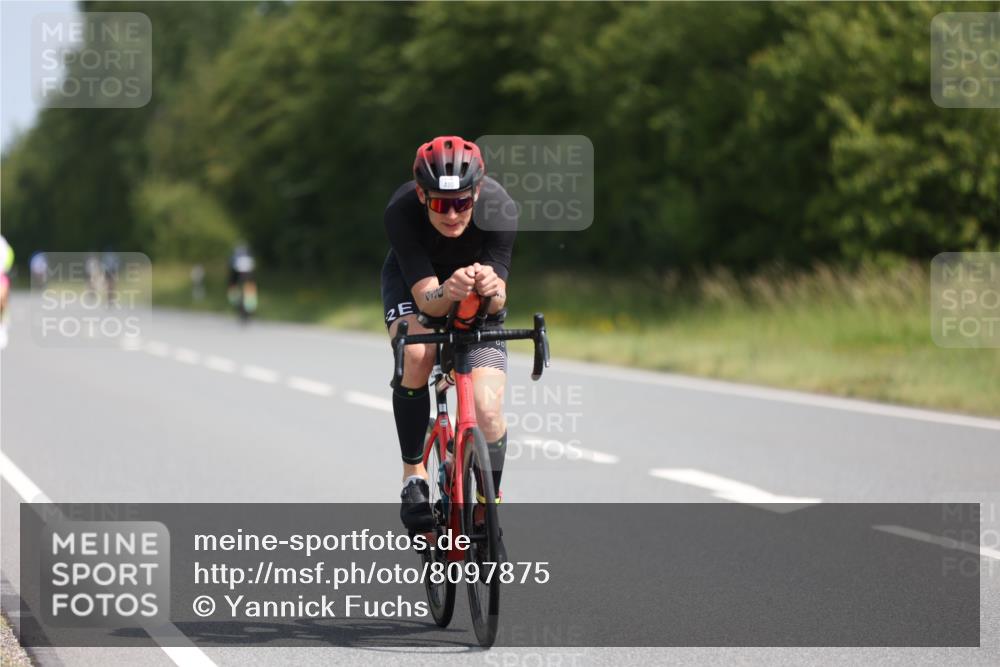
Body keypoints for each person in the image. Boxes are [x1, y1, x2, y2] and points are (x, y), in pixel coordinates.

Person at [382, 136, 517, 531]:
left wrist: (490, 288)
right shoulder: (401, 212)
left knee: (487, 409)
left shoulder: (500, 208)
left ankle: (487, 502)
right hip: (416, 285)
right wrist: (447, 290)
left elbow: (499, 300)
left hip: (475, 294)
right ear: (422, 195)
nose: (453, 214)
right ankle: (413, 475)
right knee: (417, 354)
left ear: (477, 192)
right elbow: (427, 301)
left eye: (462, 202)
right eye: (441, 204)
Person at [227, 243, 257, 316]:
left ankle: (240, 303)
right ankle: (249, 306)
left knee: (244, 289)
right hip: (246, 276)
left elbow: (231, 270)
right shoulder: (248, 256)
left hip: (240, 276)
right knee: (249, 289)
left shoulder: (236, 256)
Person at [0, 235, 14, 349]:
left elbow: (9, 255)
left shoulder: (2, 241)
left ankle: (3, 326)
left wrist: (4, 268)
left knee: (2, 300)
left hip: (1, 274)